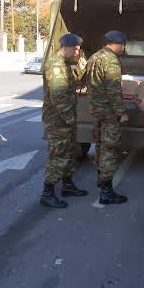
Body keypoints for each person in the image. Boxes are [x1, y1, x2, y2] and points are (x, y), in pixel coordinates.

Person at [40, 33, 88, 208]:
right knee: (58, 156)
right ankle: (47, 193)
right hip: (57, 120)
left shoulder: (65, 65)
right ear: (65, 47)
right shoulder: (55, 66)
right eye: (75, 49)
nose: (77, 52)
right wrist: (69, 117)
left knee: (69, 153)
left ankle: (67, 185)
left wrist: (81, 69)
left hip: (64, 119)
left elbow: (74, 82)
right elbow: (59, 95)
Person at [85, 30, 129, 205]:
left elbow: (88, 83)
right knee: (110, 151)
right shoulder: (111, 60)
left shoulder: (94, 57)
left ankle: (100, 179)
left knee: (101, 147)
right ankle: (106, 192)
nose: (123, 48)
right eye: (123, 45)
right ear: (117, 43)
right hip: (109, 113)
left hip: (96, 111)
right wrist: (121, 113)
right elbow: (114, 90)